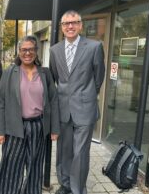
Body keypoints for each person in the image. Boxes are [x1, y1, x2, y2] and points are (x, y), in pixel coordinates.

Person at [0, 36, 60, 194]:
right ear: (19, 52)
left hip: (38, 127)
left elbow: (53, 100)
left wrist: (55, 128)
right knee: (11, 166)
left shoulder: (45, 73)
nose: (27, 53)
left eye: (31, 49)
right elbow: (1, 101)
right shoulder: (10, 72)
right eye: (24, 50)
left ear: (37, 51)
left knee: (35, 166)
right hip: (14, 127)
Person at [49, 10, 105, 194]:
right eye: (66, 23)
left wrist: (86, 94)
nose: (70, 26)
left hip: (84, 109)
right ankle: (65, 184)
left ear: (81, 25)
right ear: (62, 27)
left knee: (80, 153)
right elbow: (55, 78)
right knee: (64, 151)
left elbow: (98, 78)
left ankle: (78, 189)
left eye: (74, 22)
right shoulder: (54, 50)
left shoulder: (94, 47)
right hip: (63, 109)